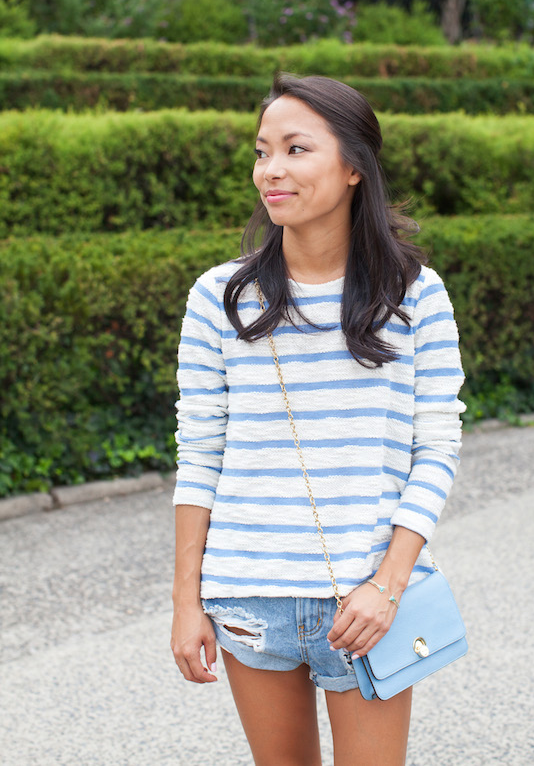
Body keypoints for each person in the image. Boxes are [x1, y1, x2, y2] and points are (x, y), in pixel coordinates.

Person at [170, 74, 466, 766]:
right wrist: (187, 602)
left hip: (365, 602)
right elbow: (199, 454)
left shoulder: (413, 295)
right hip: (248, 596)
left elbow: (437, 447)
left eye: (295, 149)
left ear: (354, 165)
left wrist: (388, 583)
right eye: (261, 151)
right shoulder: (220, 297)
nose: (270, 170)